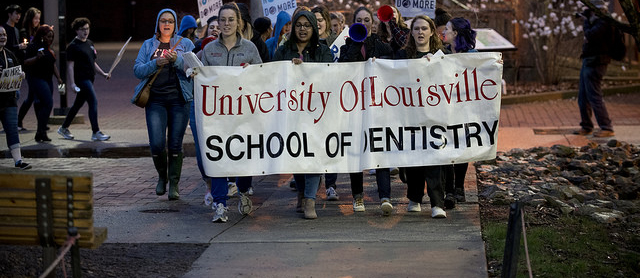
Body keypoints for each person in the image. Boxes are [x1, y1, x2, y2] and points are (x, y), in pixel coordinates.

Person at [199, 3, 262, 223]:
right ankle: (220, 204)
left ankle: (244, 192)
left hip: (243, 115)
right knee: (217, 158)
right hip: (216, 117)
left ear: (239, 23)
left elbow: (262, 77)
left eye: (231, 20)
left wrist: (251, 73)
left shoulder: (250, 49)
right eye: (222, 20)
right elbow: (201, 77)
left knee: (243, 158)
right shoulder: (208, 49)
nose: (226, 24)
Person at [273, 10, 333, 219]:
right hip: (291, 113)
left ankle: (310, 199)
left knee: (314, 154)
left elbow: (329, 76)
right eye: (298, 25)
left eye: (307, 25)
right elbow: (272, 76)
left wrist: (305, 69)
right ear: (292, 28)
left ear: (314, 28)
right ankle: (300, 192)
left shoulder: (323, 51)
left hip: (317, 113)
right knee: (296, 154)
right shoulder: (283, 51)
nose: (302, 29)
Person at [132, 8, 194, 201]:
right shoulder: (148, 44)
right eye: (163, 21)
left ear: (175, 24)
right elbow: (137, 70)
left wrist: (177, 61)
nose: (166, 24)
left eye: (170, 21)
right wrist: (155, 63)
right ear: (157, 24)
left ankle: (174, 184)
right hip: (155, 100)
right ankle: (162, 176)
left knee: (175, 145)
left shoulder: (185, 44)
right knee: (157, 144)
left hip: (179, 100)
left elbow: (194, 70)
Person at [339, 6, 394, 216]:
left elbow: (394, 66)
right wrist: (355, 43)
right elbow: (343, 68)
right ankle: (357, 195)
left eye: (367, 20)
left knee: (380, 150)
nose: (363, 24)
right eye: (359, 20)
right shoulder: (347, 47)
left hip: (378, 108)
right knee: (356, 152)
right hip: (354, 109)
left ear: (373, 24)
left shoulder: (380, 46)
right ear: (353, 24)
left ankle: (385, 197)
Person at [395, 15, 447, 218]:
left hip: (434, 115)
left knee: (434, 158)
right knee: (413, 158)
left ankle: (437, 204)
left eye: (424, 28)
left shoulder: (442, 55)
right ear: (411, 32)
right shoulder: (402, 56)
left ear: (432, 31)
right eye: (416, 29)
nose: (420, 32)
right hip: (409, 115)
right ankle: (414, 198)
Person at [441, 17, 478, 209]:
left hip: (465, 108)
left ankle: (459, 187)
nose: (443, 32)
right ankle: (450, 190)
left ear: (455, 33)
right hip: (446, 109)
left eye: (447, 29)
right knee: (447, 148)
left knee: (461, 147)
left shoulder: (473, 55)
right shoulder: (442, 54)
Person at [57, 17, 111, 142]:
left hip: (90, 78)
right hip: (81, 80)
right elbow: (70, 66)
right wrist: (72, 83)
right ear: (76, 30)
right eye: (82, 29)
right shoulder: (73, 46)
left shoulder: (90, 43)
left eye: (87, 29)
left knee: (77, 105)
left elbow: (93, 62)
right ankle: (96, 132)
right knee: (93, 101)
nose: (85, 31)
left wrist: (103, 73)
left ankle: (63, 127)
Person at [573, 0, 615, 138]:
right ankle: (586, 125)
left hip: (597, 62)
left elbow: (591, 35)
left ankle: (606, 126)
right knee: (583, 96)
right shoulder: (595, 20)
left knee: (594, 96)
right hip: (589, 60)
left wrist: (586, 21)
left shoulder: (604, 21)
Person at [22, 25, 62, 143]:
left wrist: (59, 77)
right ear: (42, 36)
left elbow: (53, 64)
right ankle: (41, 131)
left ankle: (40, 133)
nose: (50, 39)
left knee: (41, 106)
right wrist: (37, 58)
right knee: (48, 103)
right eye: (48, 36)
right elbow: (26, 62)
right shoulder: (33, 47)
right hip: (36, 78)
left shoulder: (49, 49)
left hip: (48, 79)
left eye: (52, 37)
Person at [0, 26, 30, 169]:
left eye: (4, 34)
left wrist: (21, 75)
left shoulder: (10, 54)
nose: (3, 37)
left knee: (12, 129)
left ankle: (18, 161)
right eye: (0, 35)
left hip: (9, 100)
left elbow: (19, 70)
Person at [16, 7, 40, 131]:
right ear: (30, 18)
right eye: (35, 18)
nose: (37, 21)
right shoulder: (24, 31)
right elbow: (26, 48)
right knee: (33, 97)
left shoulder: (37, 30)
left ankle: (19, 121)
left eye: (38, 19)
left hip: (36, 66)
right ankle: (20, 122)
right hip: (29, 66)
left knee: (32, 97)